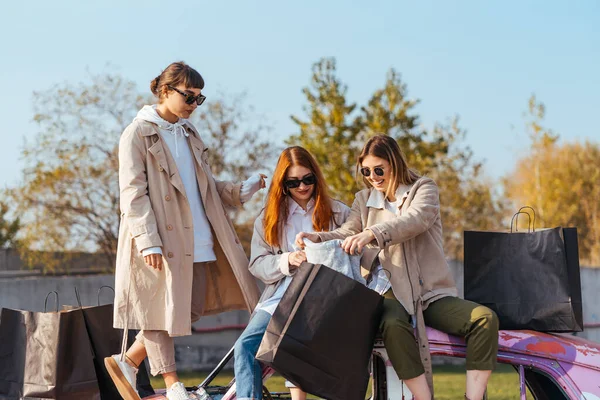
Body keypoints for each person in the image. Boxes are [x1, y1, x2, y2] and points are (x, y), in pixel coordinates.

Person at [106, 61, 265, 400]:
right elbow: (133, 195)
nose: (194, 105)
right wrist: (148, 242)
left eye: (199, 98)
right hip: (159, 238)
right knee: (159, 309)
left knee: (185, 309)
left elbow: (204, 185)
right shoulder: (137, 133)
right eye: (189, 97)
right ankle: (172, 383)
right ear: (165, 91)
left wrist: (240, 191)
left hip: (199, 235)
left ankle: (129, 360)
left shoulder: (190, 133)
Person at [296, 135, 498, 400]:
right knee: (392, 324)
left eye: (379, 169)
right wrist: (318, 237)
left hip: (429, 293)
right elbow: (348, 231)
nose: (372, 177)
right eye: (366, 171)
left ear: (394, 163)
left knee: (484, 319)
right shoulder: (363, 198)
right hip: (386, 289)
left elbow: (415, 220)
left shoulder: (423, 188)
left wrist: (372, 233)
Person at [234, 146, 350, 400]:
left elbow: (356, 251)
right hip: (281, 296)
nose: (302, 187)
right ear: (282, 183)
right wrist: (288, 259)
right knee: (245, 346)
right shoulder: (268, 219)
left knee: (296, 345)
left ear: (316, 178)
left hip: (326, 296)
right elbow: (257, 264)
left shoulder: (340, 213)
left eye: (308, 179)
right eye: (293, 182)